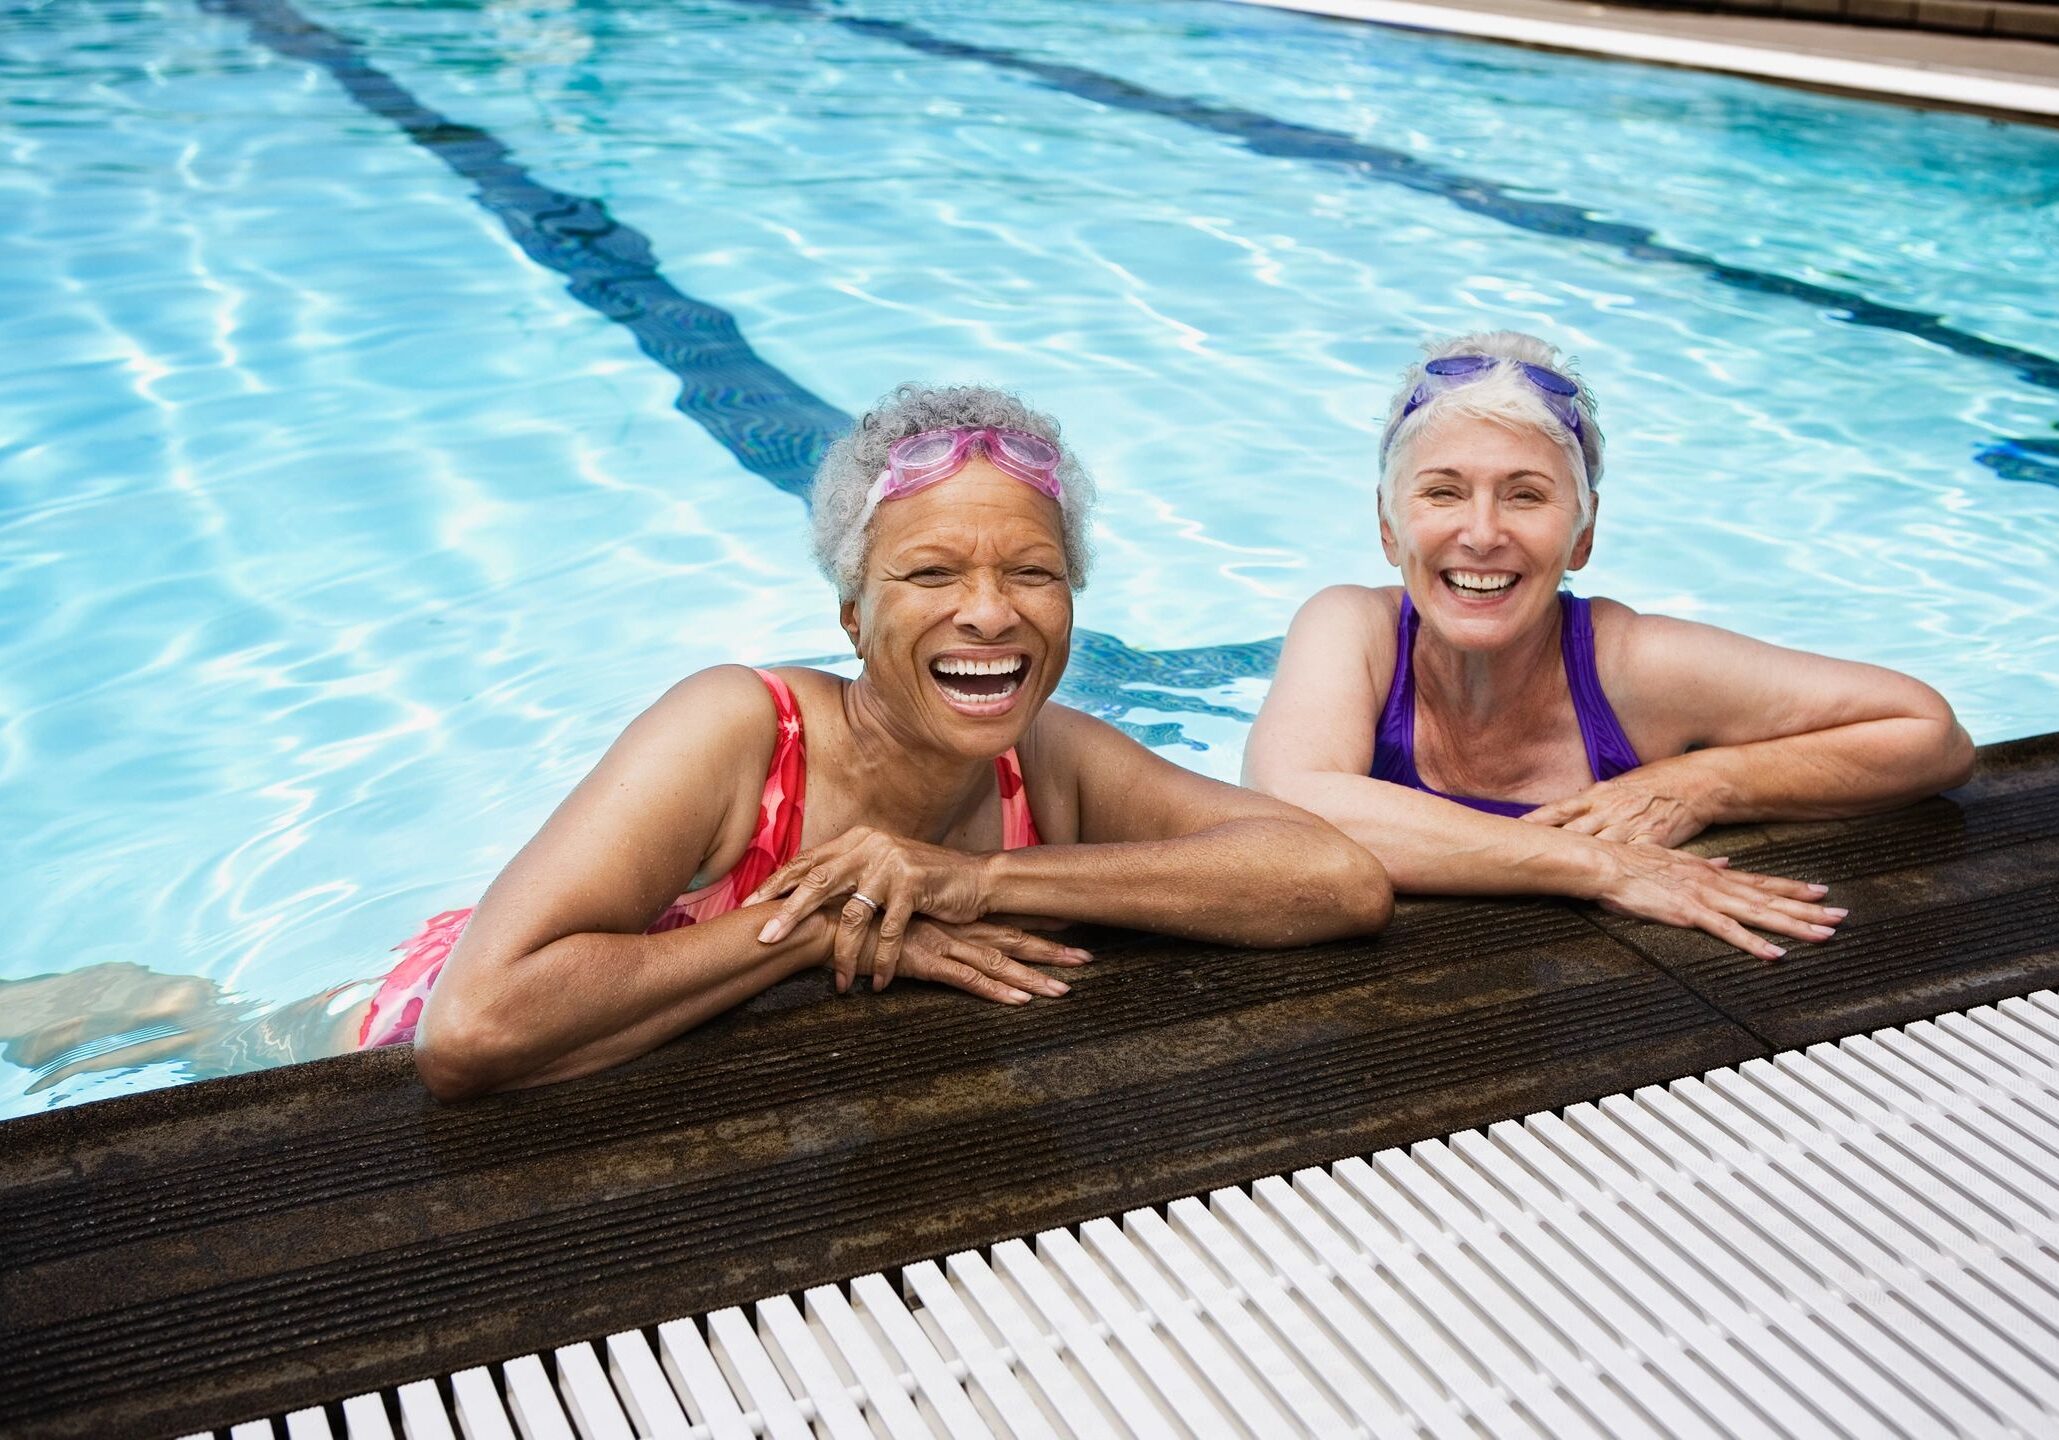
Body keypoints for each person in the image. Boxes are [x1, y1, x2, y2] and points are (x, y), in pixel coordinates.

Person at [371, 384, 1393, 1101]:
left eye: (1032, 573)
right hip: (428, 1003)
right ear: (854, 618)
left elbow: (1333, 879)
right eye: (932, 574)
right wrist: (822, 929)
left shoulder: (1048, 759)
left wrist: (970, 879)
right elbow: (473, 1032)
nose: (990, 613)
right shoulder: (738, 732)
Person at [1245, 332, 1974, 959]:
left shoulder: (1633, 666)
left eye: (1525, 495)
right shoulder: (1352, 629)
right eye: (1441, 493)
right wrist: (1600, 866)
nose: (1481, 532)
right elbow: (1286, 800)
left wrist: (1700, 784)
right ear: (1386, 526)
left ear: (1582, 535)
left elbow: (1927, 734)